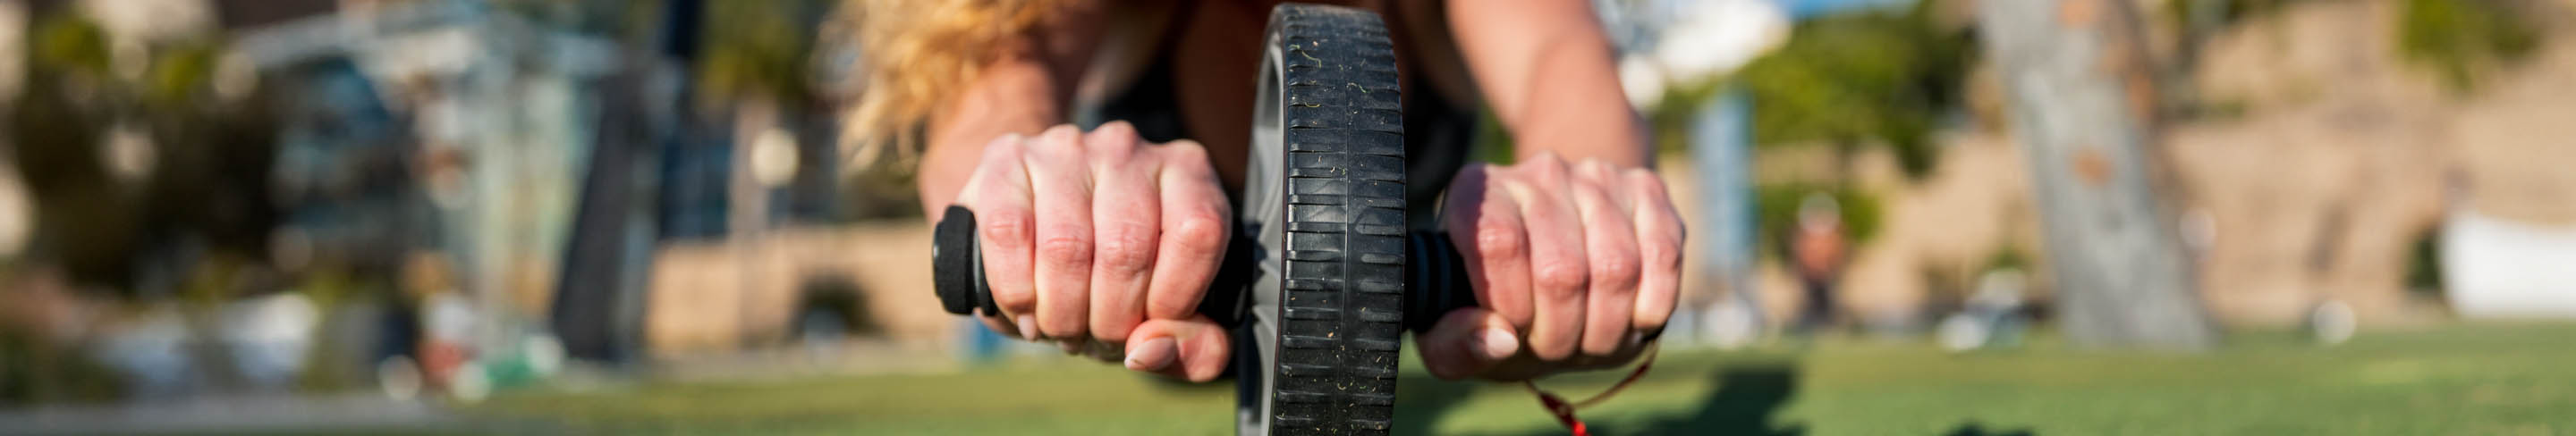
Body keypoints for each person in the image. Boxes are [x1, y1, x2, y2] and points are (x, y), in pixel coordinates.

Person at [843, 0, 1685, 382]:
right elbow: (1001, 64)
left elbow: (1560, 54)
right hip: (1176, 352)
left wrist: (1585, 213)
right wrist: (1028, 199)